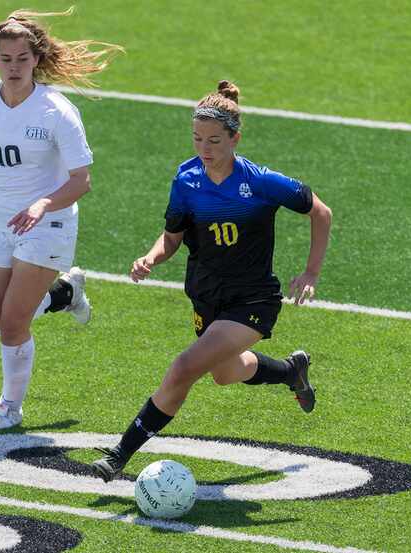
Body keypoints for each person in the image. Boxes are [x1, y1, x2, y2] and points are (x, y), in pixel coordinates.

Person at [91, 80, 333, 482]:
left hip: (253, 300)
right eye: (197, 138)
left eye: (215, 141)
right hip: (207, 297)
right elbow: (172, 238)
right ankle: (291, 371)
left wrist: (312, 271)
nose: (204, 149)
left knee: (184, 367)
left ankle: (118, 454)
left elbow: (320, 212)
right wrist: (151, 258)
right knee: (225, 372)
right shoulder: (186, 179)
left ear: (235, 138)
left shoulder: (259, 182)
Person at [0, 9, 122, 430]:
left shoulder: (56, 111)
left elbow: (82, 181)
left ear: (36, 60)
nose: (14, 67)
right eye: (6, 59)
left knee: (13, 324)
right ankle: (64, 294)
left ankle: (9, 409)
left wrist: (43, 204)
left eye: (22, 59)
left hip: (49, 223)